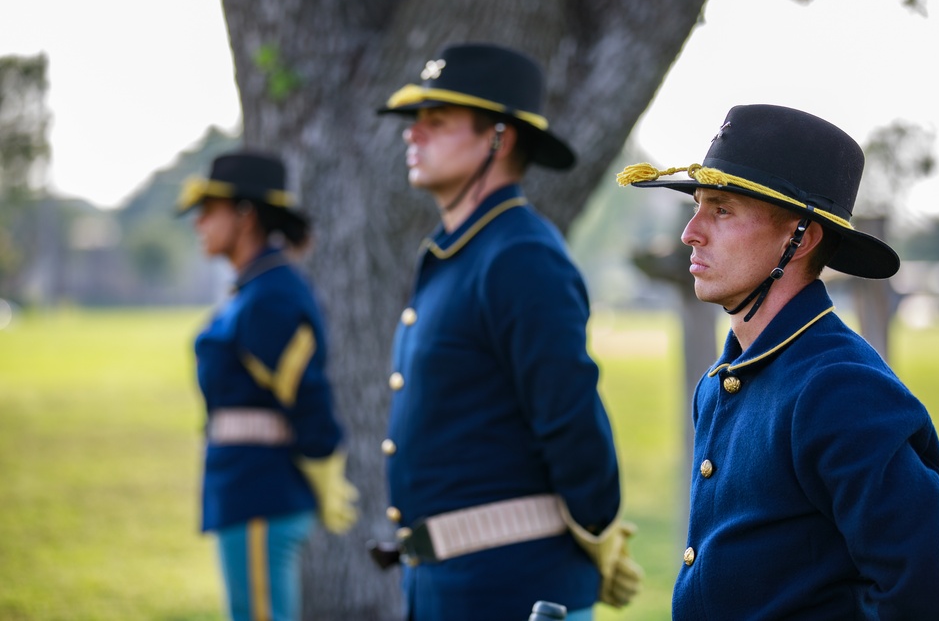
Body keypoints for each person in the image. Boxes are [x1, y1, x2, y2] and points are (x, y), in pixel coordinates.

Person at [617, 103, 939, 620]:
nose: (691, 232)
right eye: (698, 206)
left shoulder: (838, 387)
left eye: (721, 209)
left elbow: (929, 598)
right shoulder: (725, 380)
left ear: (800, 238)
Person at [375, 43, 642, 621]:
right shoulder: (461, 252)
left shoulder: (519, 255)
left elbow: (569, 418)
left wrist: (597, 525)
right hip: (449, 586)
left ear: (499, 137)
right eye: (415, 121)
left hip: (516, 589)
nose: (412, 134)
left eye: (436, 121)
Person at [176, 151, 358, 621]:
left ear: (245, 213)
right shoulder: (256, 288)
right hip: (248, 487)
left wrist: (324, 461)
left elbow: (307, 395)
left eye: (209, 210)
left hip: (262, 488)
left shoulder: (272, 294)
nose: (199, 222)